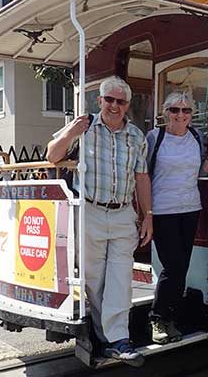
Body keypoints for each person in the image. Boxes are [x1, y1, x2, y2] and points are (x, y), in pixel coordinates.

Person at [46, 76, 153, 362]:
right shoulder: (84, 128)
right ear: (100, 101)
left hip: (122, 213)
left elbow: (142, 178)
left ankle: (118, 339)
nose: (114, 106)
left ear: (127, 105)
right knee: (94, 280)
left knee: (120, 278)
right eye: (109, 100)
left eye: (120, 101)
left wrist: (148, 216)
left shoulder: (136, 136)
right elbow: (52, 156)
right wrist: (69, 133)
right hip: (91, 211)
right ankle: (104, 335)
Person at [146, 91, 208, 344]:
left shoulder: (196, 137)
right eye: (175, 110)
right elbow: (143, 176)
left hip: (190, 208)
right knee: (173, 266)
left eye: (186, 110)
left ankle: (170, 317)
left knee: (182, 267)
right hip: (163, 211)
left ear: (192, 114)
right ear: (166, 112)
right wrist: (146, 214)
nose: (180, 115)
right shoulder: (155, 137)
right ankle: (158, 318)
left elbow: (199, 173)